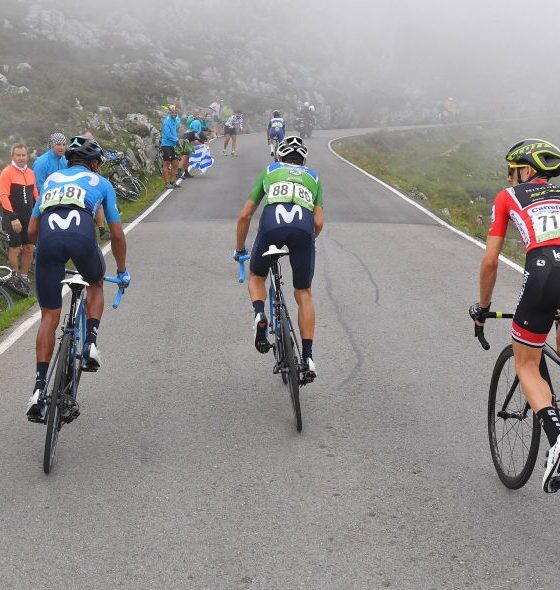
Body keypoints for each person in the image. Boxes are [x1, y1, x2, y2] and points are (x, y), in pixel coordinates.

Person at [469, 138, 560, 493]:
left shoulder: (508, 197)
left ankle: (557, 439)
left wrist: (483, 307)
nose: (510, 178)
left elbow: (491, 260)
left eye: (512, 171)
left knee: (526, 364)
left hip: (545, 273)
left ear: (525, 171)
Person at [26, 136, 130, 422]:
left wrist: (47, 251)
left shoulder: (51, 180)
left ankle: (38, 390)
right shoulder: (101, 183)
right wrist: (122, 271)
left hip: (48, 241)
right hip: (82, 238)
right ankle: (91, 343)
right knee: (95, 282)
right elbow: (117, 234)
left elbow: (32, 230)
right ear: (94, 164)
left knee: (49, 316)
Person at [234, 136, 324, 380]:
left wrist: (240, 249)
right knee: (303, 292)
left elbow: (245, 215)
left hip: (272, 224)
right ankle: (308, 357)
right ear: (303, 160)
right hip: (303, 228)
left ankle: (259, 313)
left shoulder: (270, 170)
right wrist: (307, 242)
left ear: (279, 156)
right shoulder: (314, 178)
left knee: (257, 276)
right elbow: (318, 222)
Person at [0, 144, 39, 292]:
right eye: (18, 155)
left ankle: (24, 276)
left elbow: (35, 194)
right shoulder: (7, 172)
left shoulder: (30, 173)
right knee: (15, 248)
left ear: (27, 156)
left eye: (23, 155)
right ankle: (14, 278)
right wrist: (13, 217)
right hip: (12, 217)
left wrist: (40, 210)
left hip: (28, 217)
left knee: (29, 247)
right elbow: (3, 196)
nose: (21, 158)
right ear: (13, 156)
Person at [160, 104, 181, 189]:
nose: (174, 114)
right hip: (166, 145)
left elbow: (178, 121)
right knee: (166, 164)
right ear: (169, 113)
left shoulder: (174, 120)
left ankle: (173, 181)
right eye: (172, 112)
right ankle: (167, 183)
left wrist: (174, 108)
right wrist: (176, 140)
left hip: (172, 145)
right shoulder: (167, 122)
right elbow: (168, 135)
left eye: (175, 113)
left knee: (175, 163)